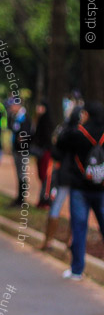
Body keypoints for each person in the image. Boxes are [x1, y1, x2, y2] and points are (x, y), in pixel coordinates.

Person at [54, 101, 104, 281]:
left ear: (87, 114)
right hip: (101, 188)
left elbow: (59, 145)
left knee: (79, 228)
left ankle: (76, 270)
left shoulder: (78, 133)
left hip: (80, 187)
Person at [43, 108, 82, 250]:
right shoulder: (82, 133)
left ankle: (49, 240)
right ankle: (70, 242)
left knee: (57, 204)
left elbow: (55, 151)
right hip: (77, 175)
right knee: (75, 208)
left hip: (65, 173)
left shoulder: (65, 131)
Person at [8, 99, 32, 207]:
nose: (11, 108)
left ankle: (21, 200)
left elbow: (26, 134)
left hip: (22, 151)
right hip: (16, 150)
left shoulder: (24, 117)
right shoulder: (15, 117)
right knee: (19, 175)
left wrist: (21, 139)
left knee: (22, 175)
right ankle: (19, 198)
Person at [31, 102, 55, 208]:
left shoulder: (47, 121)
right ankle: (43, 198)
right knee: (42, 175)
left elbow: (47, 138)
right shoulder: (39, 120)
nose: (38, 108)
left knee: (46, 175)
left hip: (46, 152)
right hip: (40, 151)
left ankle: (45, 199)